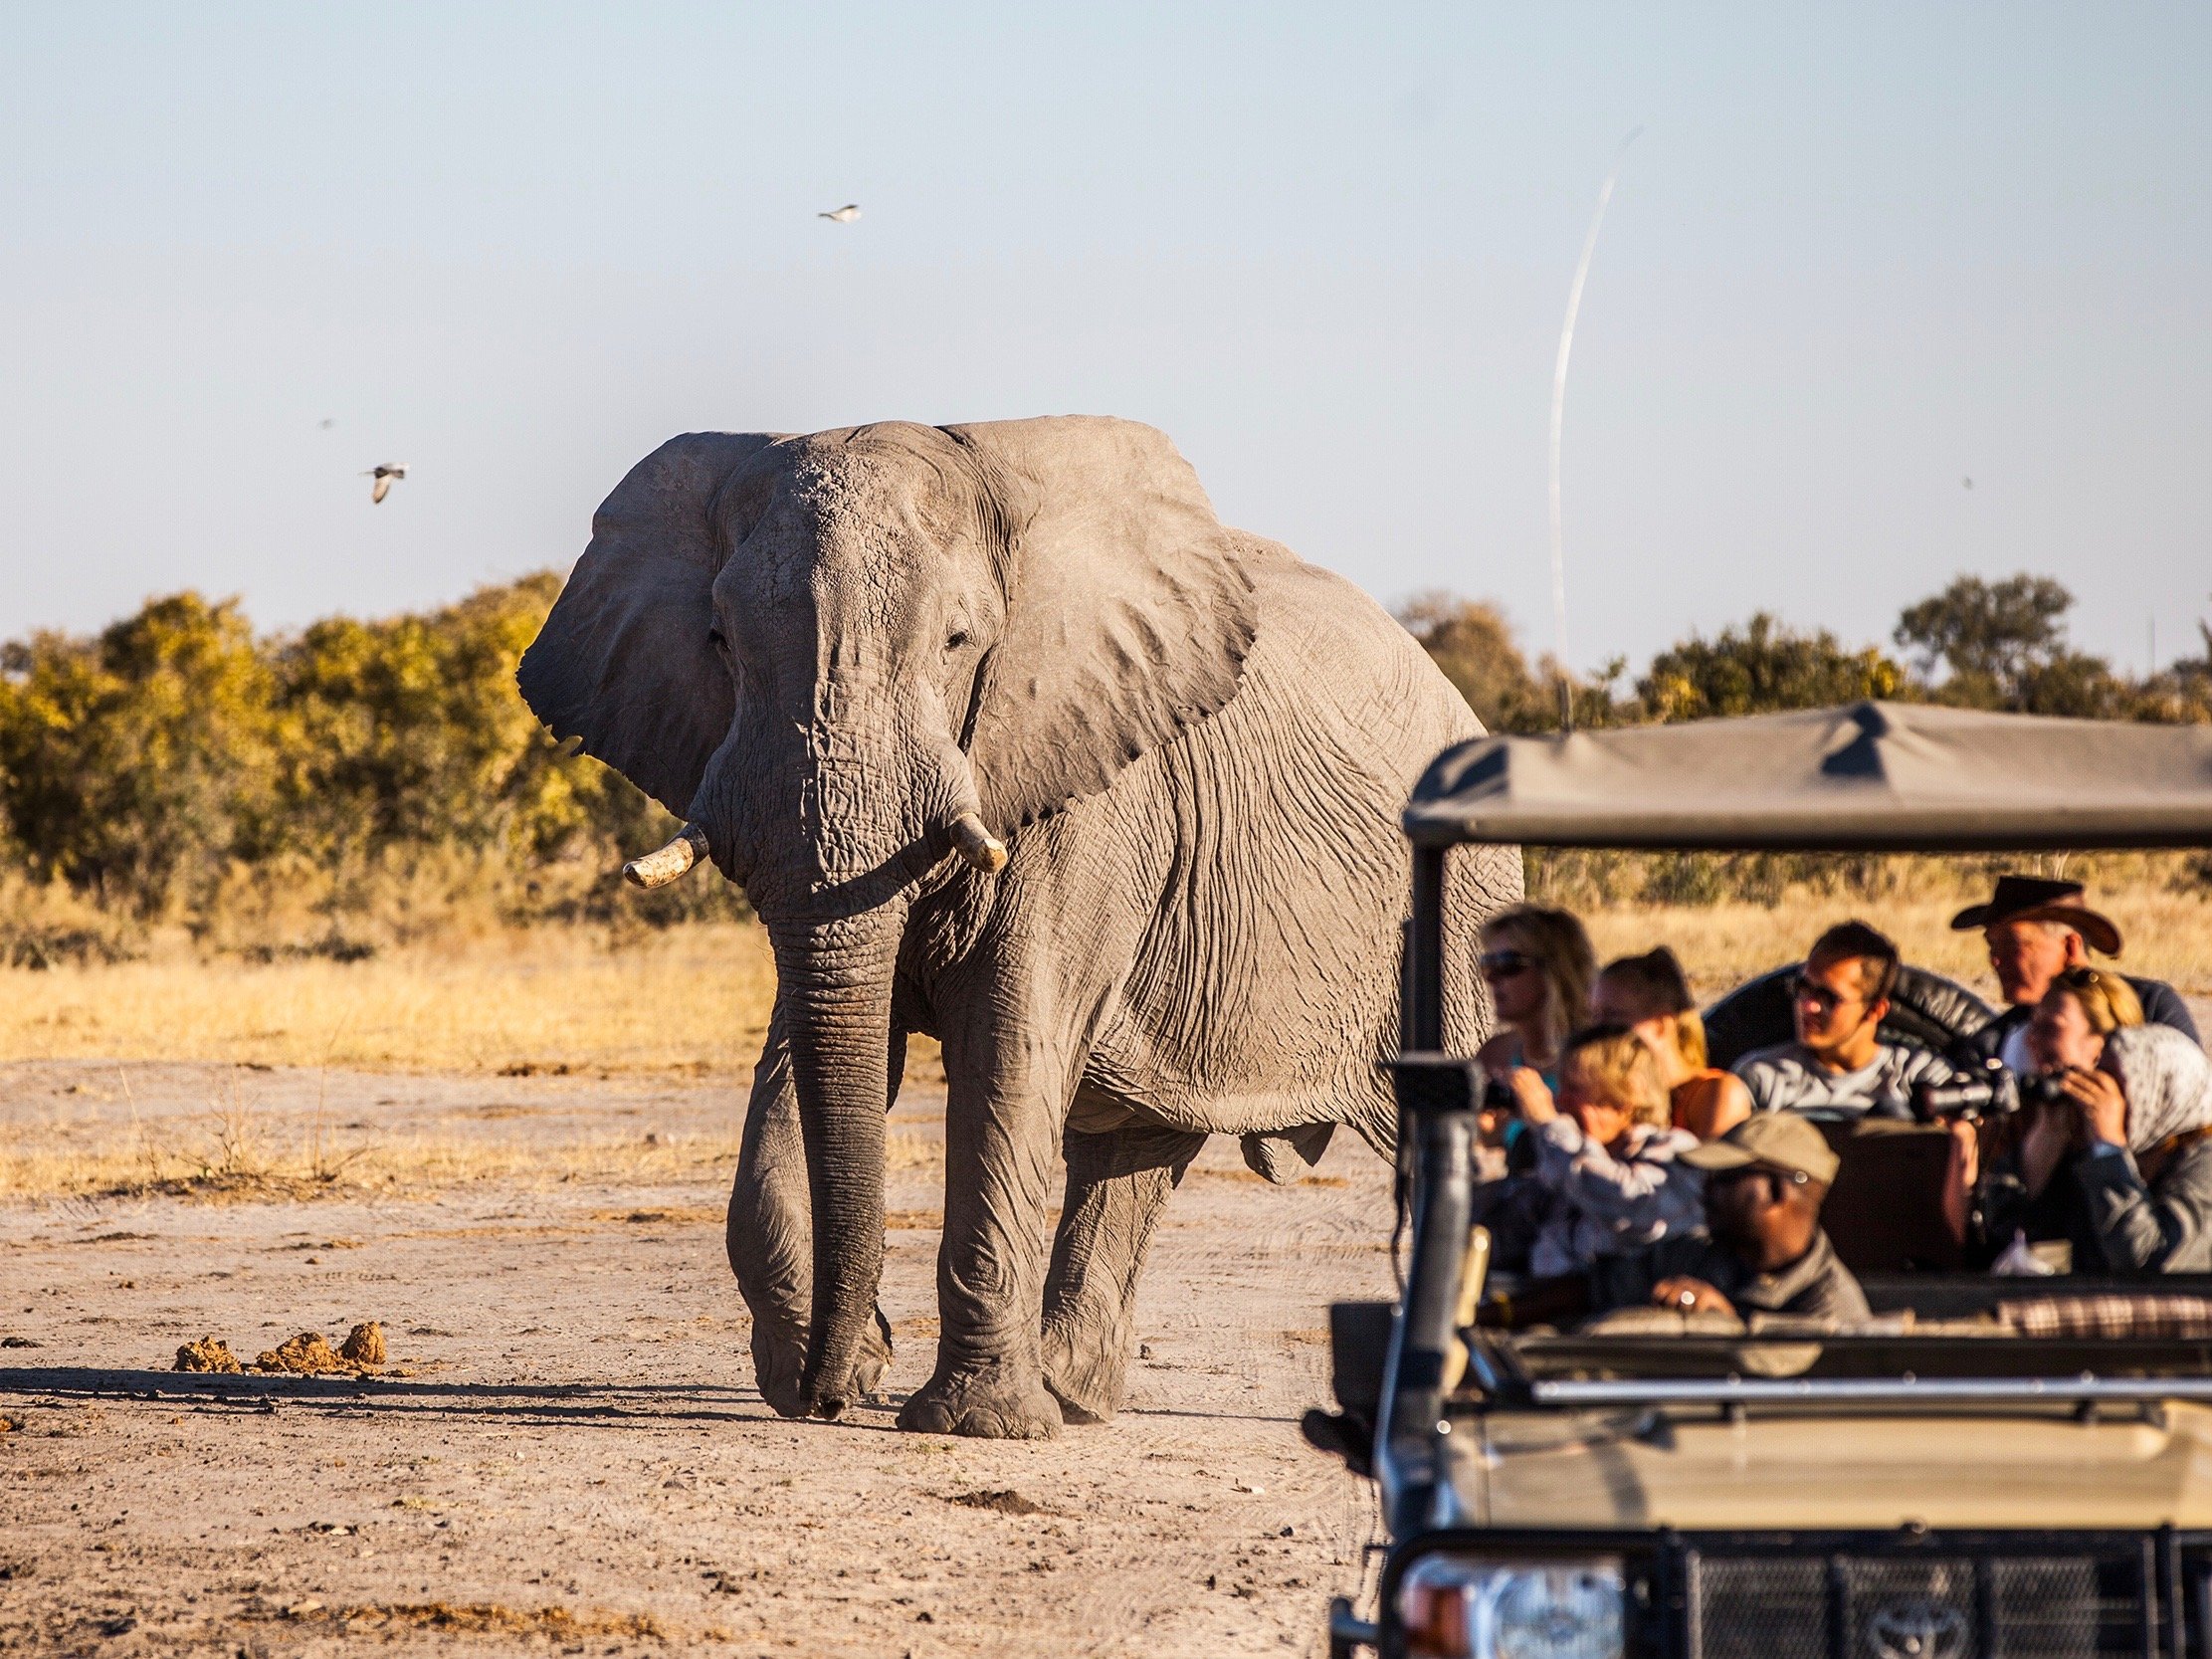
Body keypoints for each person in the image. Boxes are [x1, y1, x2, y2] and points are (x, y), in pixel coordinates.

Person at [1479, 1113, 1870, 1329]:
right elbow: (1593, 1289)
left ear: (1779, 1193)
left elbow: (1782, 1390)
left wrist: (1723, 1323)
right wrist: (1491, 1318)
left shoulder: (1830, 1308)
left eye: (1723, 1180)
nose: (1705, 1192)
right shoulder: (1696, 1257)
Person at [1977, 966, 2212, 1275]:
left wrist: (2109, 1151)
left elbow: (2147, 1263)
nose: (2102, 1101)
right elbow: (2005, 1236)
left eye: (2115, 1087)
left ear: (2157, 1093)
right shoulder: (2084, 1148)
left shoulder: (2201, 1165)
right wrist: (2044, 1143)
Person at [1951, 876, 2200, 1070]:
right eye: (1992, 944)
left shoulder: (2150, 1008)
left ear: (2070, 946)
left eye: (2012, 944)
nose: (1995, 960)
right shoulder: (1993, 1045)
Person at [1518, 1025, 1705, 1278]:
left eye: (1575, 1089)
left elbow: (1631, 1208)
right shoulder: (1562, 1160)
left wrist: (1550, 1126)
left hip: (1637, 1310)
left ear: (1626, 1096)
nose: (1560, 1102)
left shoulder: (1675, 1151)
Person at [1731, 921, 1959, 1117]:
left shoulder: (1921, 1077)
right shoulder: (1761, 1078)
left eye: (1829, 998)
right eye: (1803, 988)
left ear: (1875, 1010)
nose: (1808, 1006)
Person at [1591, 946, 1752, 1141]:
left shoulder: (1715, 1094)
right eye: (1593, 1017)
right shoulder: (1611, 1096)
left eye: (1612, 1016)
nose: (1596, 1030)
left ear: (1660, 1025)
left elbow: (1707, 1170)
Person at [1474, 906, 1596, 1091]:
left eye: (1507, 964)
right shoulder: (1495, 1056)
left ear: (1555, 969)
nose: (1491, 978)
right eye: (1488, 965)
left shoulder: (1595, 1059)